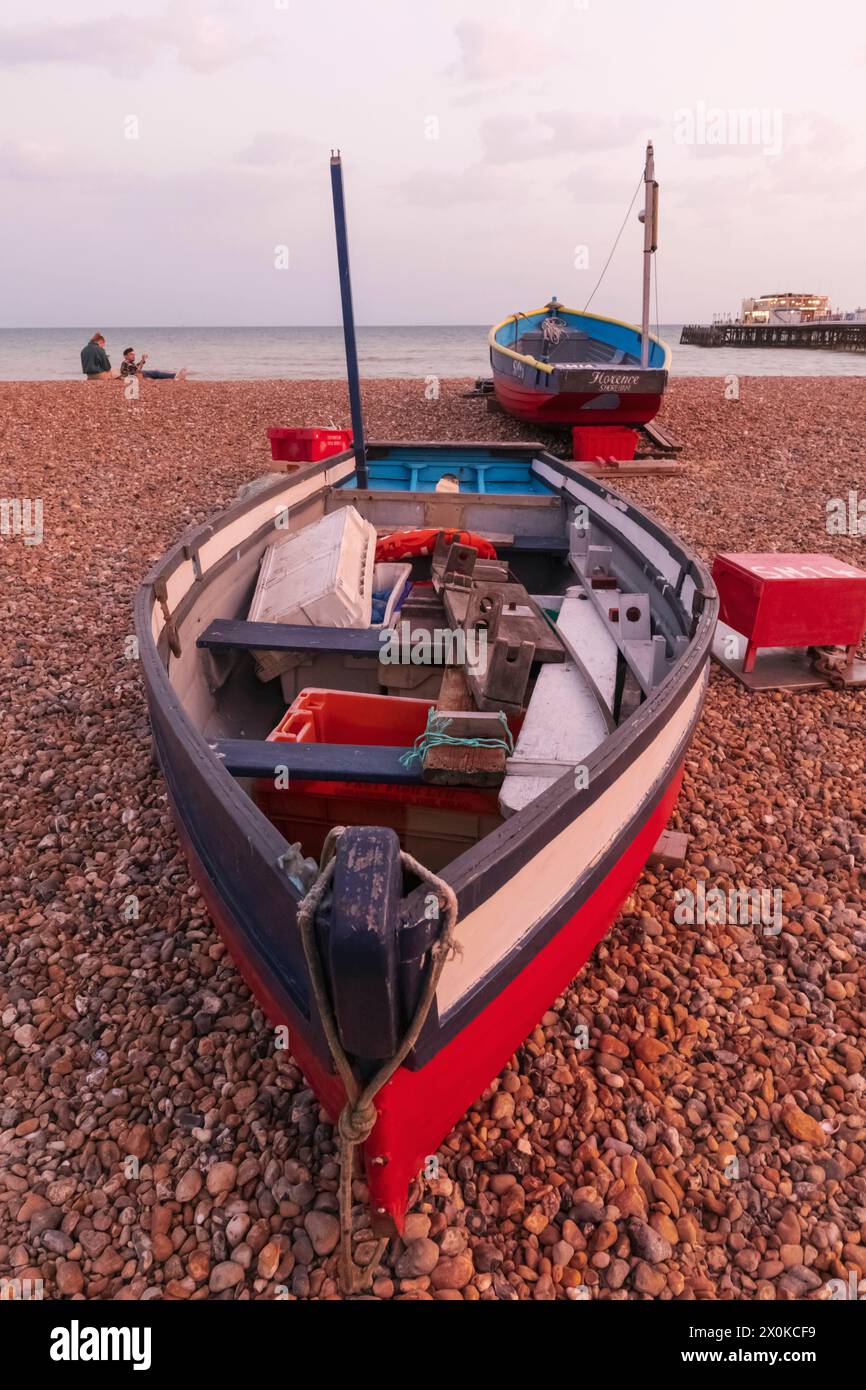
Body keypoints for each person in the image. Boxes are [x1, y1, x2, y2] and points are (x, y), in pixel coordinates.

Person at [119, 348, 186, 381]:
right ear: (125, 356)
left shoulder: (127, 363)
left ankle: (175, 376)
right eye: (131, 354)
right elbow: (138, 370)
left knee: (157, 374)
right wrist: (142, 360)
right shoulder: (126, 363)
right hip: (141, 374)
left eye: (133, 354)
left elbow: (135, 367)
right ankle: (175, 376)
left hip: (140, 375)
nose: (133, 356)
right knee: (156, 373)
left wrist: (143, 360)